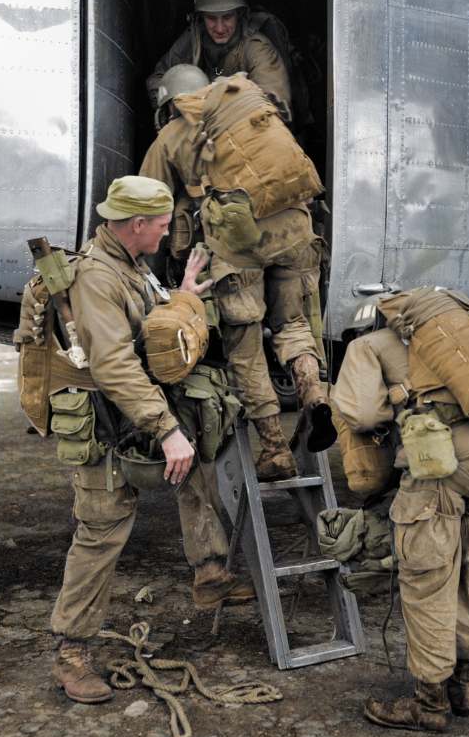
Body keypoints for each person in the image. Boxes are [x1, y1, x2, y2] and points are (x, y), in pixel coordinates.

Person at [48, 176, 253, 705]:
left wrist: (183, 294)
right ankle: (71, 653)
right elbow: (114, 365)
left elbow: (149, 326)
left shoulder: (129, 265)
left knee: (197, 461)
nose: (167, 235)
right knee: (102, 532)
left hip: (135, 414)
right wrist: (165, 430)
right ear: (136, 225)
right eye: (162, 226)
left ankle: (209, 572)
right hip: (106, 426)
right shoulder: (96, 277)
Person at [332, 289, 469, 733]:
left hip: (440, 461)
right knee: (467, 567)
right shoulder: (458, 342)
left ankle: (429, 701)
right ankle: (463, 684)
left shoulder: (366, 346)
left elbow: (362, 416)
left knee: (426, 577)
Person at [140, 65, 334, 482]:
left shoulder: (171, 136)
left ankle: (274, 449)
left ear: (172, 101)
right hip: (295, 229)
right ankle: (314, 393)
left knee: (245, 345)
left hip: (240, 245)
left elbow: (145, 199)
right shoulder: (245, 110)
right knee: (293, 323)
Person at [146, 0, 291, 120]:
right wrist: (176, 103)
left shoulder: (257, 48)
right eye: (211, 18)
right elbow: (158, 79)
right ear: (201, 17)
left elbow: (273, 106)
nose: (220, 28)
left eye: (227, 17)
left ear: (238, 15)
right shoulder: (195, 38)